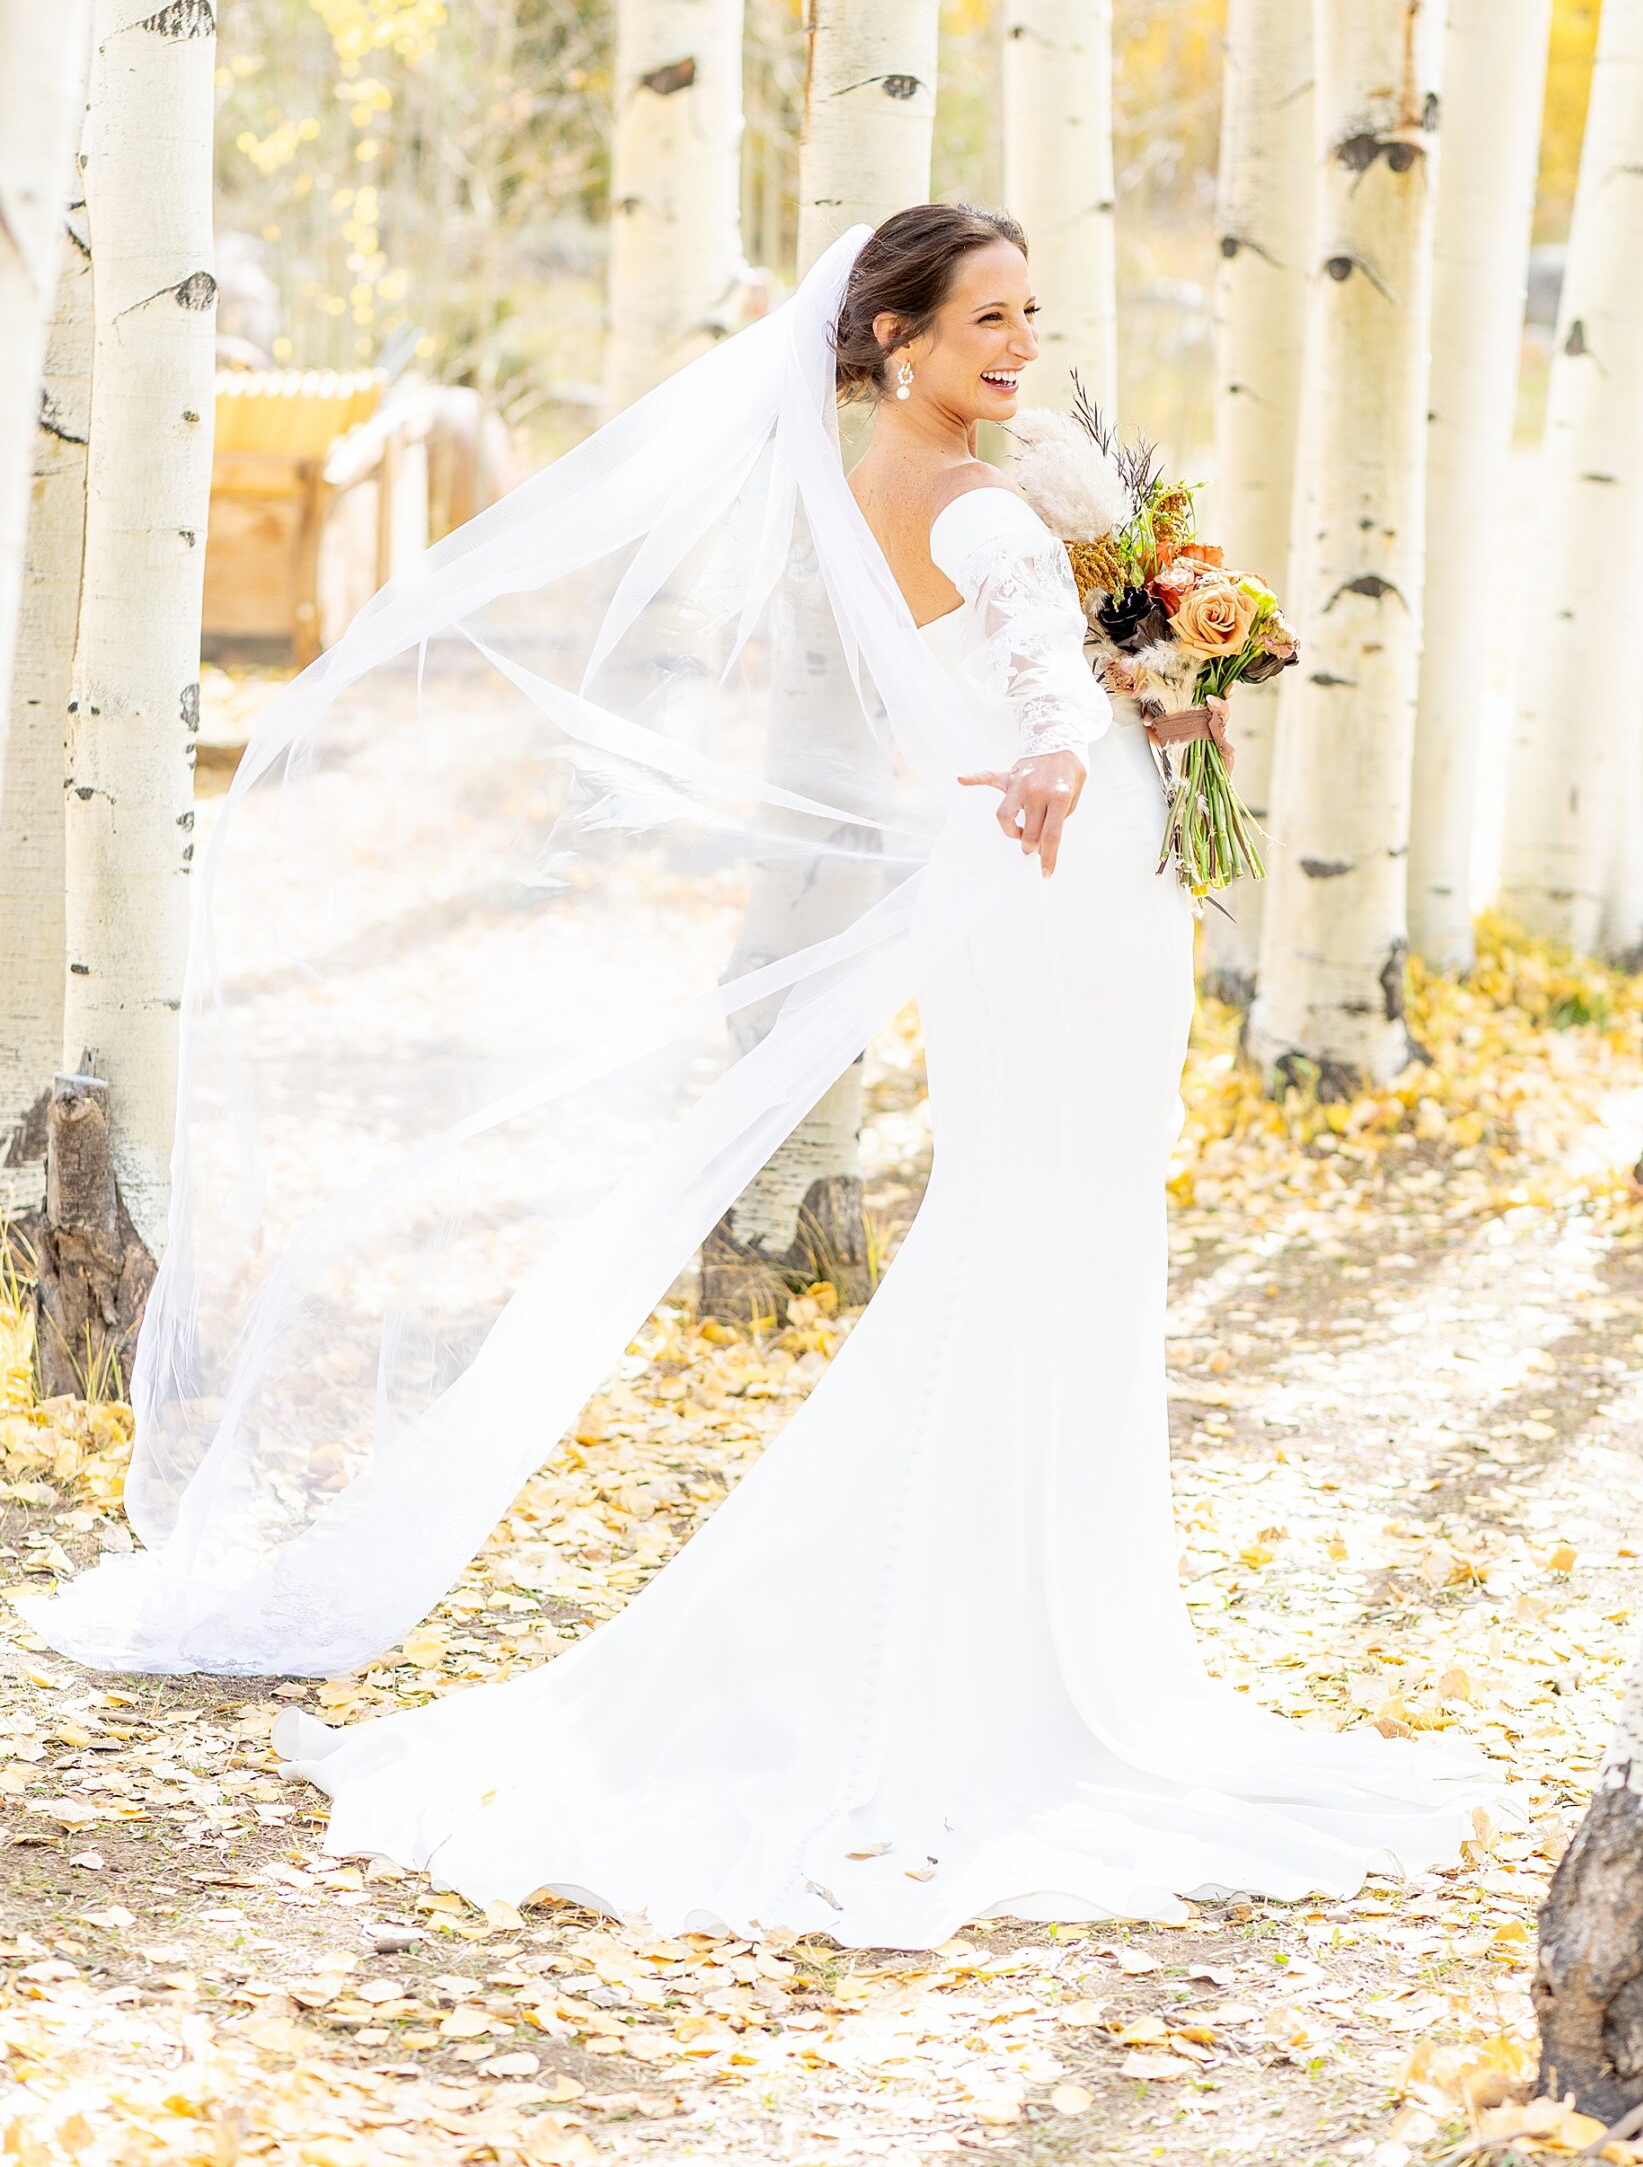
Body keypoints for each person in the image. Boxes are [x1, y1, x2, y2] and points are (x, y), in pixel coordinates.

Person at [25, 205, 1506, 1946]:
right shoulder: (977, 496)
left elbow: (995, 687)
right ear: (891, 339)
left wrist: (1150, 687)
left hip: (1022, 896)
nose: (1018, 348)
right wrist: (1102, 721)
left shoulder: (888, 481)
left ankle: (1035, 1612)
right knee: (1042, 1232)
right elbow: (1036, 700)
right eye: (982, 324)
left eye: (1030, 314)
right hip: (1067, 888)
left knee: (1031, 1224)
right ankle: (984, 1658)